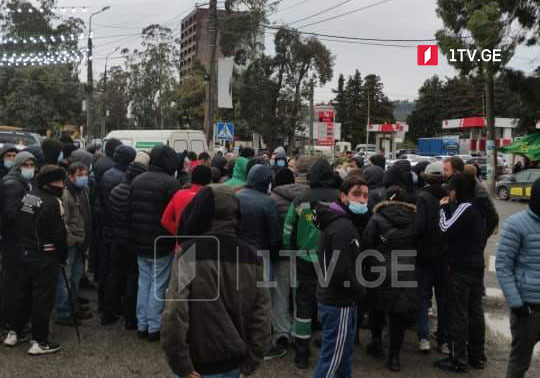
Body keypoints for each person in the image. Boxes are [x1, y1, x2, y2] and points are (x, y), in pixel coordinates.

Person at [161, 185, 271, 378]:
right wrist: (252, 361)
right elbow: (261, 314)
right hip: (235, 363)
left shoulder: (189, 252)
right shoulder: (252, 256)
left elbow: (175, 313)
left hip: (200, 362)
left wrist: (180, 363)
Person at [283, 157, 340, 369]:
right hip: (332, 260)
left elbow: (288, 231)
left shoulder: (300, 200)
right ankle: (330, 350)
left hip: (305, 260)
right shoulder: (339, 199)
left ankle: (301, 354)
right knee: (331, 303)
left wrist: (292, 252)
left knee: (304, 306)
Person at [3, 165, 66, 355]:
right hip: (44, 255)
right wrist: (62, 257)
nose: (62, 185)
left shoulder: (28, 196)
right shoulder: (53, 202)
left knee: (21, 294)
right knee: (41, 299)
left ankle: (14, 332)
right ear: (50, 182)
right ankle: (40, 341)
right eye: (59, 181)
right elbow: (59, 234)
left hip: (22, 252)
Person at [312, 175, 369, 378]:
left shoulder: (340, 222)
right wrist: (359, 290)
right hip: (339, 301)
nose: (362, 200)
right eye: (356, 194)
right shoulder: (343, 227)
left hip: (336, 298)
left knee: (342, 358)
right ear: (343, 196)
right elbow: (340, 271)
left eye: (365, 195)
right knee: (332, 361)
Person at [435, 173, 486, 373]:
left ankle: (458, 359)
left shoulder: (465, 207)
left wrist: (443, 208)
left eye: (452, 189)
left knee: (459, 314)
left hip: (461, 268)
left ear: (459, 189)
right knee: (475, 313)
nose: (450, 193)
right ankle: (477, 355)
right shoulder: (480, 207)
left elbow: (445, 227)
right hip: (476, 265)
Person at [362, 186, 417, 372]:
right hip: (406, 269)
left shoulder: (377, 217)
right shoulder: (415, 218)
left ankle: (376, 343)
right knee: (398, 314)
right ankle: (394, 355)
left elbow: (367, 242)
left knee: (376, 307)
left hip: (379, 268)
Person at [130, 145, 181, 342]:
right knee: (158, 284)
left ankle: (142, 324)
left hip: (139, 240)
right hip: (161, 242)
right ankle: (154, 327)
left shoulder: (137, 180)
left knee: (144, 282)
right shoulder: (171, 184)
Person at [496, 177, 540, 378]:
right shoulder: (516, 224)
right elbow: (503, 266)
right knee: (519, 364)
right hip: (528, 310)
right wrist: (516, 303)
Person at [270, 168, 309, 351]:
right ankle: (299, 332)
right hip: (303, 254)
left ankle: (282, 333)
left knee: (280, 294)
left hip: (281, 255)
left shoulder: (272, 199)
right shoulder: (306, 198)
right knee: (300, 295)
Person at [107, 161, 148, 331]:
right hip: (131, 240)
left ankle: (107, 313)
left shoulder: (116, 190)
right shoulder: (134, 193)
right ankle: (130, 319)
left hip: (116, 239)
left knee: (114, 275)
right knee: (132, 278)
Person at [97, 145, 136, 319]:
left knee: (110, 270)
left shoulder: (108, 174)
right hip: (119, 230)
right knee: (122, 272)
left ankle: (106, 306)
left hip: (109, 228)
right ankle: (114, 307)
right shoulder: (122, 179)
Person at [415, 162, 449, 354]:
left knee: (423, 298)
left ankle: (424, 337)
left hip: (425, 255)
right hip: (445, 256)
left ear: (426, 177)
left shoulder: (423, 197)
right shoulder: (449, 195)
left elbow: (419, 225)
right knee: (443, 300)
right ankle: (443, 340)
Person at [0, 151, 36, 330]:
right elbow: (11, 214)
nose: (29, 169)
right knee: (13, 281)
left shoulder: (21, 182)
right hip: (14, 240)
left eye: (32, 165)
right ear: (18, 165)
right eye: (26, 165)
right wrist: (30, 205)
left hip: (16, 239)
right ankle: (10, 320)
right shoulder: (14, 184)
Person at [55, 162, 93, 327]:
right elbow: (64, 221)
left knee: (76, 277)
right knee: (66, 279)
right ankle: (63, 312)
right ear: (71, 176)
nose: (83, 177)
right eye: (80, 174)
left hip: (81, 242)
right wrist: (71, 240)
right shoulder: (66, 194)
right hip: (72, 243)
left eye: (85, 174)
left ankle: (73, 307)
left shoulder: (83, 190)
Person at [161, 165, 213, 235]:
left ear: (192, 177)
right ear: (209, 180)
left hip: (181, 243)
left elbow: (165, 220)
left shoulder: (179, 194)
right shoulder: (212, 196)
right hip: (204, 242)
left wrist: (181, 233)